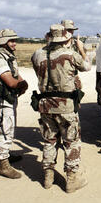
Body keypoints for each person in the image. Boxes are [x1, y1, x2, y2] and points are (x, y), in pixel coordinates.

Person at [31, 24, 91, 192]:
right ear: (66, 39)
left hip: (45, 106)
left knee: (49, 141)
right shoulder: (71, 54)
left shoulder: (37, 54)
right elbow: (87, 67)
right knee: (71, 142)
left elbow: (39, 72)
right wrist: (81, 49)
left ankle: (48, 177)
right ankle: (71, 180)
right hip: (66, 107)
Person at [0, 29, 28, 179]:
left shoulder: (7, 56)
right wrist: (22, 84)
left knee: (8, 127)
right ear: (3, 42)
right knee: (5, 129)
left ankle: (6, 155)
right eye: (11, 41)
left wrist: (22, 83)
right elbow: (10, 81)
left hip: (8, 97)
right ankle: (3, 164)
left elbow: (15, 75)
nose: (15, 43)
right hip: (3, 99)